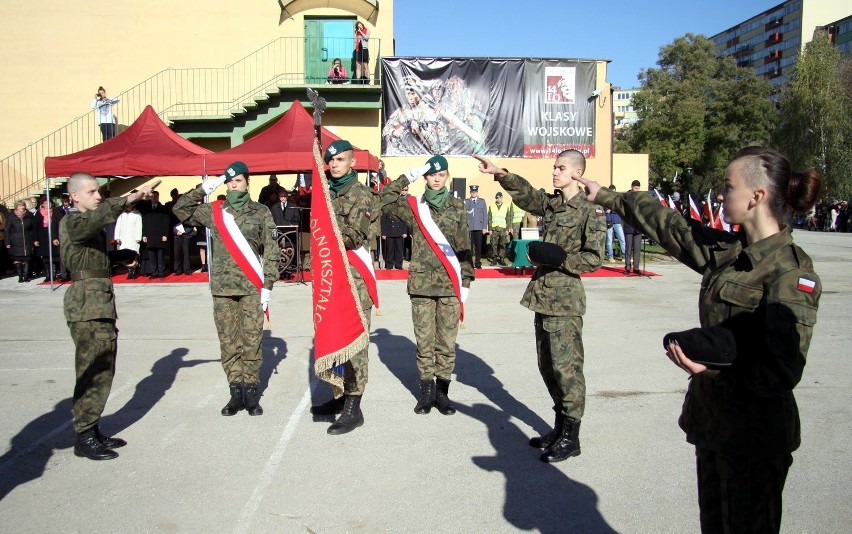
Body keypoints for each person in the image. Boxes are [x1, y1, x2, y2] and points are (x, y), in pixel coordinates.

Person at [574, 146, 822, 534]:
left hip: (755, 440)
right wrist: (606, 195)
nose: (722, 195)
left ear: (756, 196)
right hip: (716, 427)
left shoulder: (790, 273)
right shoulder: (730, 252)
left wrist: (715, 371)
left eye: (728, 186)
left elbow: (781, 370)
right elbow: (671, 227)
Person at [474, 150, 606, 463]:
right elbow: (529, 197)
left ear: (577, 172)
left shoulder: (589, 210)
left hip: (565, 300)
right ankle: (559, 427)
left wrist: (561, 259)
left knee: (567, 369)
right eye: (554, 167)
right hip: (544, 296)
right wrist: (501, 173)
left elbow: (594, 258)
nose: (554, 172)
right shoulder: (554, 204)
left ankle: (571, 436)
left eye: (560, 168)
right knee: (548, 367)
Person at [60, 172, 159, 460]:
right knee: (93, 371)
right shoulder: (74, 220)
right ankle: (84, 435)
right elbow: (98, 217)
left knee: (103, 369)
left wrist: (117, 257)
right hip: (87, 307)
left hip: (97, 304)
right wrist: (133, 196)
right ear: (75, 195)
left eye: (97, 191)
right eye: (91, 192)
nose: (98, 196)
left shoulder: (86, 224)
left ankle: (92, 428)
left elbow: (86, 258)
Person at [174, 161, 279, 417]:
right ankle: (235, 392)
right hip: (222, 288)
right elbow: (181, 209)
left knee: (252, 341)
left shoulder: (261, 212)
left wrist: (268, 284)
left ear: (247, 182)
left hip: (251, 287)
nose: (234, 185)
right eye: (229, 181)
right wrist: (204, 187)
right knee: (229, 342)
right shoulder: (215, 210)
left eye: (238, 181)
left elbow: (272, 250)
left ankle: (252, 393)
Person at [382, 156, 475, 414]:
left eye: (441, 174)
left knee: (446, 343)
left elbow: (465, 245)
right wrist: (406, 177)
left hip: (449, 285)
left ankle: (442, 394)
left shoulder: (457, 207)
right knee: (423, 342)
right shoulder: (413, 206)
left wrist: (466, 281)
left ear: (447, 177)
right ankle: (425, 394)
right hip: (421, 284)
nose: (436, 178)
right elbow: (383, 199)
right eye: (432, 174)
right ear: (425, 177)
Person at [309, 140, 380, 435]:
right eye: (331, 160)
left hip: (354, 279)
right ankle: (339, 396)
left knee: (355, 340)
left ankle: (354, 404)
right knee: (334, 334)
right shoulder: (326, 193)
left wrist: (326, 229)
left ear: (352, 162)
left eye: (340, 160)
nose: (334, 164)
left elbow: (354, 235)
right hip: (331, 275)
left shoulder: (362, 194)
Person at [34, 197, 65, 282]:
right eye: (46, 203)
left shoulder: (56, 212)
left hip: (54, 236)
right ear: (43, 204)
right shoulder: (39, 213)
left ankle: (54, 274)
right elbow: (35, 227)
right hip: (43, 237)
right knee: (46, 257)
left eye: (50, 203)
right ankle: (48, 275)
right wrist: (35, 239)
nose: (48, 205)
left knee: (54, 256)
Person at [6, 201, 37, 282]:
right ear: (16, 207)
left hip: (27, 239)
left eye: (23, 205)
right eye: (20, 206)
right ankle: (20, 276)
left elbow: (33, 228)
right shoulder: (11, 216)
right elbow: (7, 230)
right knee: (18, 259)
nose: (22, 207)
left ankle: (26, 276)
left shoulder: (29, 215)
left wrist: (35, 239)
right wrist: (7, 242)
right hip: (16, 240)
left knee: (27, 258)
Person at [380, 187, 409, 270]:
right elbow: (383, 221)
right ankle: (389, 265)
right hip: (389, 232)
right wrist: (384, 233)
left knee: (399, 250)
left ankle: (398, 265)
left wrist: (404, 231)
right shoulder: (387, 207)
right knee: (389, 250)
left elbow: (404, 219)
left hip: (399, 231)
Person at [142, 192, 170, 278]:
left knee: (160, 255)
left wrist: (165, 234)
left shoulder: (163, 208)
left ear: (158, 197)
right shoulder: (146, 208)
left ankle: (161, 272)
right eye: (152, 197)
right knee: (152, 255)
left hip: (160, 235)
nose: (154, 198)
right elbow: (144, 222)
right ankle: (154, 272)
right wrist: (144, 235)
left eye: (155, 196)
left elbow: (166, 222)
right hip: (150, 235)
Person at [114, 203, 143, 279]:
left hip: (133, 238)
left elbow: (139, 226)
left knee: (133, 255)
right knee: (125, 256)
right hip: (123, 238)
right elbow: (118, 226)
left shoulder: (137, 214)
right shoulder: (122, 215)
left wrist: (138, 237)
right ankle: (129, 271)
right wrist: (117, 237)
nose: (127, 208)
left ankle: (134, 271)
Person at [623, 180, 643, 275]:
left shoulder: (640, 197)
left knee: (637, 248)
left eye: (638, 189)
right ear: (632, 187)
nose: (636, 190)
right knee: (628, 248)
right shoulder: (626, 196)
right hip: (629, 225)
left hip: (638, 227)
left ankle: (636, 267)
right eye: (635, 188)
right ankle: (627, 267)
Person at [464, 185, 487, 268]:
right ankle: (470, 263)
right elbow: (464, 214)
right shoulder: (466, 201)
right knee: (470, 246)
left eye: (475, 192)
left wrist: (484, 227)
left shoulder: (482, 202)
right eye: (472, 192)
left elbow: (485, 215)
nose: (473, 193)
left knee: (478, 246)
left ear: (477, 193)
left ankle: (478, 262)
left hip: (479, 227)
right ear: (470, 192)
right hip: (470, 227)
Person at [487, 192, 512, 266]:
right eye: (497, 198)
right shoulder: (491, 206)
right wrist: (490, 229)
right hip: (494, 228)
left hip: (503, 229)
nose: (498, 199)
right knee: (493, 244)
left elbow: (508, 219)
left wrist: (507, 229)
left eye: (499, 198)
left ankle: (501, 259)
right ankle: (494, 259)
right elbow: (489, 218)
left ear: (502, 198)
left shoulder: (506, 206)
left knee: (502, 244)